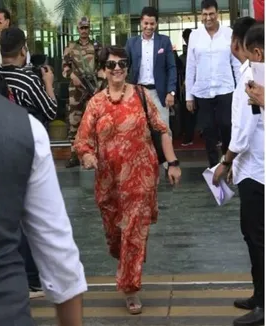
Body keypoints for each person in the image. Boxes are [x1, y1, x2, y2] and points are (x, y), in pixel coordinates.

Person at [0, 0, 86, 324]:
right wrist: (46, 83)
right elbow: (61, 256)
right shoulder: (28, 96)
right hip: (5, 309)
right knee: (31, 224)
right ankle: (31, 274)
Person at [74, 46, 181, 315]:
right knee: (115, 236)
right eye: (111, 65)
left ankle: (131, 288)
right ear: (103, 70)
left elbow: (162, 129)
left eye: (122, 63)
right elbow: (82, 141)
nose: (118, 68)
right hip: (108, 182)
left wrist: (173, 163)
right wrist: (87, 157)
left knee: (133, 231)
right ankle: (123, 259)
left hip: (140, 178)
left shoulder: (142, 96)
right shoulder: (96, 104)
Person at [213, 19, 264, 326]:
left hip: (255, 170)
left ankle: (264, 304)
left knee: (256, 237)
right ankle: (260, 296)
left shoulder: (251, 76)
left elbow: (244, 130)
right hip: (253, 166)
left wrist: (226, 161)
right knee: (253, 235)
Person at [185, 0, 241, 167]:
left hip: (225, 89)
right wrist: (189, 96)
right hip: (203, 92)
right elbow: (190, 67)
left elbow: (236, 64)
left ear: (218, 13)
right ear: (201, 15)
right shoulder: (195, 35)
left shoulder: (228, 33)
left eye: (211, 14)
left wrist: (240, 91)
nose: (208, 17)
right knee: (208, 131)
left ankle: (228, 163)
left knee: (226, 126)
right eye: (204, 14)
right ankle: (213, 167)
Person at [126, 6, 177, 140]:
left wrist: (171, 92)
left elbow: (171, 67)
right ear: (141, 23)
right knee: (139, 130)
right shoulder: (132, 43)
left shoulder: (164, 41)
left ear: (156, 24)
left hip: (159, 93)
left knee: (164, 129)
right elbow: (125, 66)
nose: (149, 27)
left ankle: (166, 161)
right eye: (146, 23)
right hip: (138, 93)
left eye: (152, 24)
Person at [63, 16, 102, 168]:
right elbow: (65, 68)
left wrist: (98, 84)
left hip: (92, 89)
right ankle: (74, 154)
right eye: (81, 28)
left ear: (89, 28)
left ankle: (92, 154)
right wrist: (73, 76)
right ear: (77, 29)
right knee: (74, 122)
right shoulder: (71, 47)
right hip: (75, 91)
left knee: (93, 122)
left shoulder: (96, 46)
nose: (84, 31)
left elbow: (102, 67)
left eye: (86, 28)